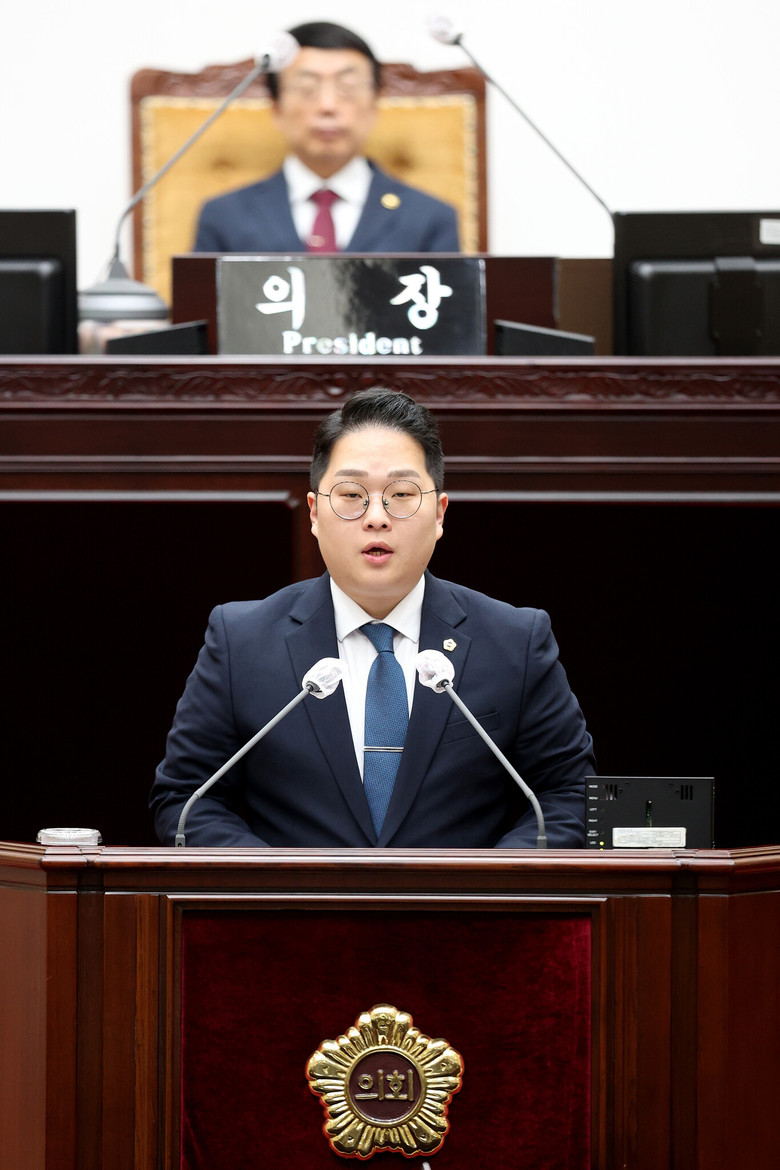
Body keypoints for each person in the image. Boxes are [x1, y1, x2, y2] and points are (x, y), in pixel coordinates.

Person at [151, 388, 594, 848]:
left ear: (439, 513)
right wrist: (274, 881)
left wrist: (490, 882)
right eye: (351, 495)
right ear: (315, 512)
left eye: (401, 494)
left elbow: (569, 795)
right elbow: (187, 799)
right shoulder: (241, 641)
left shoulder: (514, 641)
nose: (377, 517)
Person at [193, 22, 460, 255]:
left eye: (348, 88)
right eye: (307, 88)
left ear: (375, 103)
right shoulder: (225, 215)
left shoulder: (430, 217)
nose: (328, 105)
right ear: (276, 107)